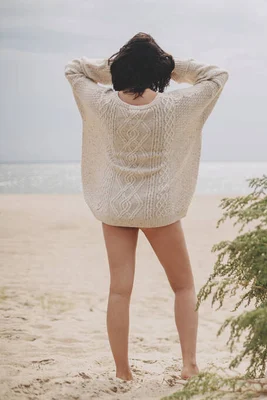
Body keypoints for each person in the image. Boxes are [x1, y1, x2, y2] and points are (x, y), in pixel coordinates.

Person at [64, 32, 229, 381]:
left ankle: (123, 373)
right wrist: (168, 67)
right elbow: (216, 74)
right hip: (159, 208)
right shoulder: (173, 107)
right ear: (160, 68)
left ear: (119, 66)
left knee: (119, 290)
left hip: (115, 207)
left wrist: (120, 70)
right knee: (183, 287)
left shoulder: (104, 104)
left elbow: (76, 69)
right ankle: (189, 366)